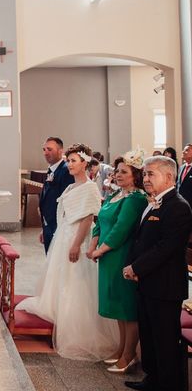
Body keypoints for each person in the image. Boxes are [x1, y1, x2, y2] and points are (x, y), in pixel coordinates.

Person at [18, 143, 118, 360]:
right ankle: (58, 311)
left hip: (77, 239)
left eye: (73, 161)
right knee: (60, 277)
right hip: (63, 235)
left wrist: (75, 244)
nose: (69, 164)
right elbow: (63, 214)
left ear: (85, 163)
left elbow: (88, 218)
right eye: (69, 161)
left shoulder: (90, 188)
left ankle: (76, 324)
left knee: (76, 281)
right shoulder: (71, 187)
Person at [123, 156, 192, 391]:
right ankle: (152, 379)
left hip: (165, 285)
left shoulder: (179, 206)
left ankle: (169, 385)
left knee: (164, 340)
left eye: (151, 174)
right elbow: (141, 239)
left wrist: (136, 267)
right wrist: (133, 265)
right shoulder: (152, 202)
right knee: (149, 335)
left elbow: (166, 248)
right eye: (145, 174)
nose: (146, 178)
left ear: (169, 177)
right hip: (147, 281)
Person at [87, 150, 148, 374]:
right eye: (117, 171)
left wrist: (100, 250)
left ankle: (130, 354)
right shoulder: (115, 196)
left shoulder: (135, 199)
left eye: (124, 172)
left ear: (136, 175)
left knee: (127, 307)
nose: (118, 175)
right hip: (106, 256)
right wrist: (93, 245)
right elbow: (100, 221)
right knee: (117, 307)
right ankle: (121, 348)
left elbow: (121, 229)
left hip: (121, 255)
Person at [39, 137, 75, 253]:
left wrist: (60, 230)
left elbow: (67, 202)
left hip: (58, 227)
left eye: (49, 149)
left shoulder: (66, 171)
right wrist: (44, 228)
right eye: (44, 149)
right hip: (48, 226)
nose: (46, 152)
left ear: (60, 151)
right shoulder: (52, 170)